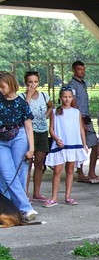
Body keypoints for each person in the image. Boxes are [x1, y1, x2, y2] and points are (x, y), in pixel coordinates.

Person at [0, 71, 38, 222]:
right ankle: (25, 208)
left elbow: (28, 127)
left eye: (2, 86)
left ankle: (17, 210)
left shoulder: (21, 103)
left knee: (20, 173)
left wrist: (31, 148)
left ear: (10, 85)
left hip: (19, 137)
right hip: (1, 140)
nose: (1, 90)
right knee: (7, 173)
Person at [44, 86, 89, 207]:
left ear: (72, 98)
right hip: (60, 145)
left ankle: (68, 196)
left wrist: (84, 144)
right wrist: (56, 139)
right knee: (57, 170)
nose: (67, 99)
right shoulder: (55, 112)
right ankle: (54, 197)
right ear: (60, 97)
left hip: (73, 144)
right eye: (64, 97)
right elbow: (51, 128)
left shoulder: (76, 112)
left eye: (69, 97)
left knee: (70, 170)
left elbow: (81, 129)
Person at [20, 71, 51, 201]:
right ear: (25, 83)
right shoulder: (21, 96)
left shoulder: (44, 96)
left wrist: (45, 116)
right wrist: (29, 95)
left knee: (39, 164)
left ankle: (36, 192)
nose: (33, 84)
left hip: (42, 132)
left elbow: (51, 107)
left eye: (35, 81)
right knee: (27, 163)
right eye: (30, 82)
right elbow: (23, 111)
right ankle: (24, 193)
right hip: (28, 133)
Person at [66, 61, 98, 182]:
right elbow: (73, 103)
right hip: (78, 119)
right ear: (74, 70)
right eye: (79, 69)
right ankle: (80, 172)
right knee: (79, 145)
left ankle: (91, 172)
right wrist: (80, 121)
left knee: (95, 144)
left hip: (87, 117)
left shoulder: (84, 84)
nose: (82, 72)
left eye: (83, 69)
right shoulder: (71, 85)